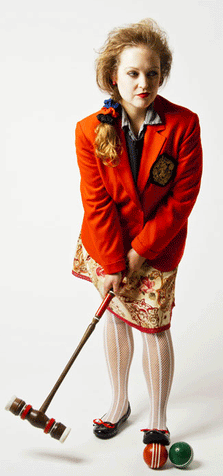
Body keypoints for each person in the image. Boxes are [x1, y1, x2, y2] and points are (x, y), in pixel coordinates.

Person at [72, 18, 202, 446]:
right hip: (106, 245)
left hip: (156, 247)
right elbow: (98, 201)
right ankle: (119, 404)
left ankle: (159, 419)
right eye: (132, 73)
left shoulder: (184, 125)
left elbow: (180, 201)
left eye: (152, 73)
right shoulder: (90, 130)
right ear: (114, 76)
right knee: (117, 316)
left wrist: (138, 254)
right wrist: (113, 261)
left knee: (155, 329)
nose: (143, 82)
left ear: (162, 75)